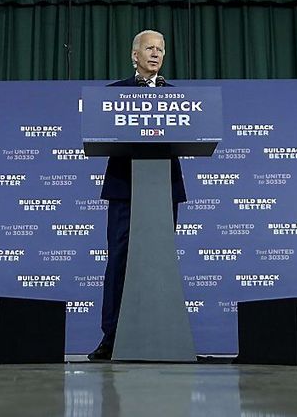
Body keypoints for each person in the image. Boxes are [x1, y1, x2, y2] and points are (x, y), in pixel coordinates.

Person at [88, 29, 187, 361]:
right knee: (120, 262)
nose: (156, 53)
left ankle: (163, 336)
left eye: (161, 48)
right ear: (135, 55)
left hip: (163, 192)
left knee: (160, 267)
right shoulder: (114, 95)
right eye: (149, 48)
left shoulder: (179, 98)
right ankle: (112, 337)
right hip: (125, 191)